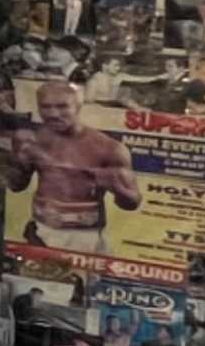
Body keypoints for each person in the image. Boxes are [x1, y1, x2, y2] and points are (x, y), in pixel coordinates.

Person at [10, 80, 139, 253]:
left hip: (85, 237)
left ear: (78, 105)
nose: (54, 114)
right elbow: (16, 186)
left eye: (63, 106)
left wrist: (116, 187)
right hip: (41, 231)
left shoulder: (109, 148)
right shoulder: (33, 141)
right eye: (46, 107)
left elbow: (132, 202)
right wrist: (19, 161)